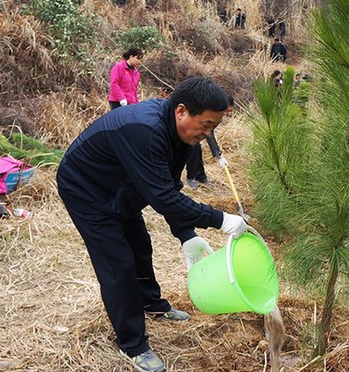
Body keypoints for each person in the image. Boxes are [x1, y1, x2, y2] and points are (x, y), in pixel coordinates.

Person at [57, 77, 248, 372]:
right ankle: (132, 344)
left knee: (140, 246)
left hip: (122, 186)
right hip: (86, 188)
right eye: (206, 125)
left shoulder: (183, 136)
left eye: (214, 127)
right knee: (117, 264)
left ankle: (152, 305)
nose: (208, 134)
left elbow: (168, 187)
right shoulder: (144, 130)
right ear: (182, 110)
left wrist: (185, 234)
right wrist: (219, 219)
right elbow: (162, 198)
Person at [185, 96, 233, 189]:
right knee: (194, 148)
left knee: (197, 149)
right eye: (226, 110)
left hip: (196, 131)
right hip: (188, 128)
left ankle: (201, 176)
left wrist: (218, 155)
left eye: (229, 111)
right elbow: (209, 134)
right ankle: (191, 177)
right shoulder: (208, 110)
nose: (226, 113)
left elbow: (210, 133)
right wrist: (219, 155)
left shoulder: (217, 116)